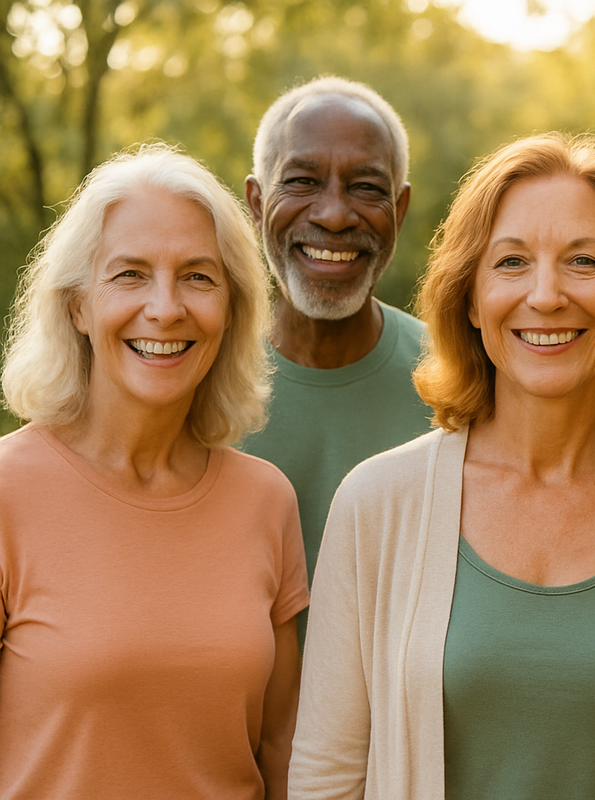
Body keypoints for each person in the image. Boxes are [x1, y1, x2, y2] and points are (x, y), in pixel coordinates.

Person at [289, 133, 595, 799]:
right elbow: (326, 780)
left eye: (584, 262)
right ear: (470, 300)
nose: (546, 295)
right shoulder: (375, 504)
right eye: (511, 262)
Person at [0, 145, 307, 798]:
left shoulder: (266, 501)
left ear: (232, 309)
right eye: (130, 275)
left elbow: (284, 750)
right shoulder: (7, 492)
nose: (166, 308)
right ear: (78, 306)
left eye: (197, 277)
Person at [240, 76, 429, 640]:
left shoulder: (463, 380)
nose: (334, 215)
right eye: (302, 181)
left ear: (399, 208)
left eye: (366, 187)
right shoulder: (192, 378)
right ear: (257, 202)